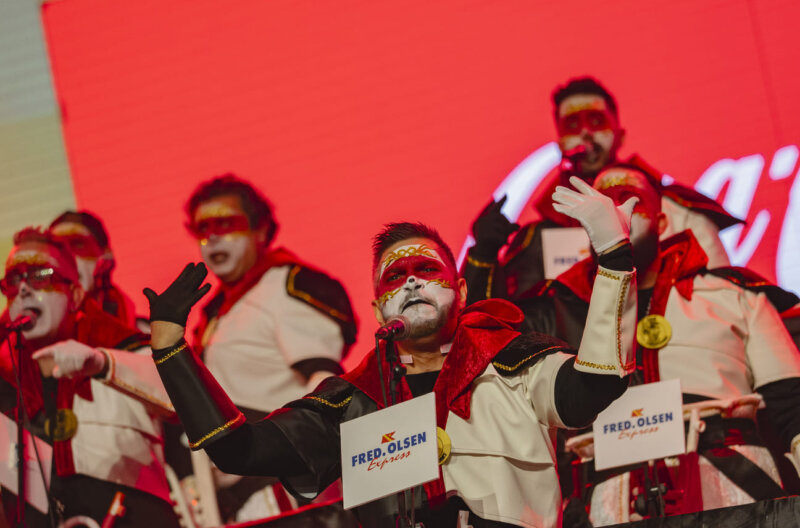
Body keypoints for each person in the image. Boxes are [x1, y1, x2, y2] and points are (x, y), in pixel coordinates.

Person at [145, 176, 639, 528]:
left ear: (462, 291)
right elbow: (239, 448)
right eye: (395, 278)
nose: (412, 281)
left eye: (427, 269)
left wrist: (614, 255)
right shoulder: (351, 401)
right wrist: (170, 349)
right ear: (379, 308)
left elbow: (597, 383)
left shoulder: (516, 364)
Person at [525, 166, 800, 525]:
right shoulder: (555, 313)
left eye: (631, 201)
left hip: (732, 489)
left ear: (663, 221)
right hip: (607, 500)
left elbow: (792, 406)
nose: (616, 211)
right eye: (604, 206)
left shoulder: (735, 294)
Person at [463, 76, 741, 305]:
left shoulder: (677, 211)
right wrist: (483, 256)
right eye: (572, 125)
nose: (585, 132)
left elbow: (726, 298)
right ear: (560, 142)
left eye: (596, 121)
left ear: (620, 134)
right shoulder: (538, 238)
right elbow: (513, 322)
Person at [181, 174, 357, 521]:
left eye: (227, 223)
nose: (213, 235)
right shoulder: (217, 310)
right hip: (236, 493)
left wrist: (280, 463)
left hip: (287, 491)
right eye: (203, 228)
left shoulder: (285, 283)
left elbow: (324, 382)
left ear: (261, 230)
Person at [0, 228, 179, 527]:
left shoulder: (126, 348)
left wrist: (102, 364)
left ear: (75, 295)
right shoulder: (6, 380)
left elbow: (184, 399)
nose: (23, 290)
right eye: (12, 280)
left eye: (41, 275)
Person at [49, 210, 137, 327]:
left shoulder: (147, 334)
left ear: (106, 255)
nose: (68, 255)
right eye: (58, 248)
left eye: (78, 244)